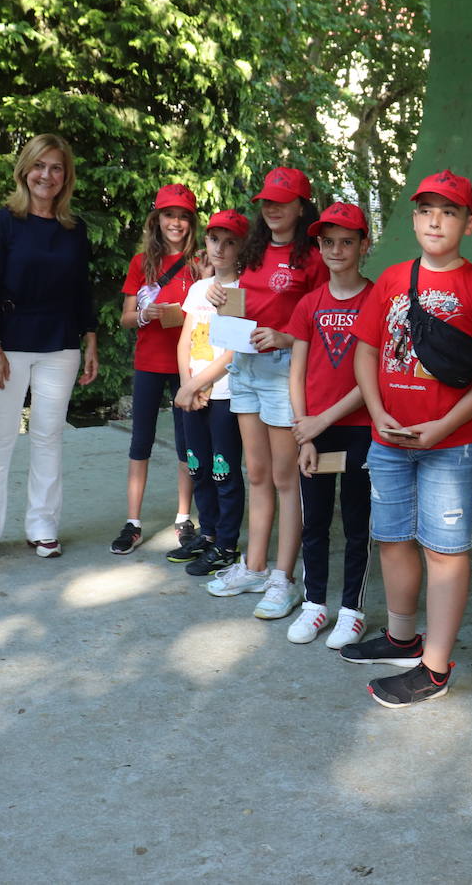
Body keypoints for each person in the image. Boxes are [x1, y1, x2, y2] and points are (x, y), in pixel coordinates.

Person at [341, 169, 472, 708]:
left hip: (453, 445)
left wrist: (444, 426)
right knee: (393, 537)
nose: (434, 220)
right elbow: (366, 350)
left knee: (444, 550)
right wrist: (376, 413)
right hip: (389, 438)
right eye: (425, 210)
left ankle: (435, 666)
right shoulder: (395, 279)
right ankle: (402, 638)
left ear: (469, 222)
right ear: (414, 218)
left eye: (448, 211)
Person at [0, 133, 98, 561]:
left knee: (48, 438)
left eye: (56, 168)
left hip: (60, 346)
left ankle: (42, 526)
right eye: (40, 166)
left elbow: (83, 293)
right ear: (25, 170)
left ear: (65, 177)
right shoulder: (2, 223)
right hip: (8, 344)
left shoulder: (74, 231)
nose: (47, 175)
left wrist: (90, 340)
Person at [202, 167, 326, 621]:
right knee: (255, 473)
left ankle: (284, 578)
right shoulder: (252, 251)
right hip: (245, 368)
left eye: (282, 200)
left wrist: (286, 338)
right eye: (267, 201)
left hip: (283, 372)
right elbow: (244, 312)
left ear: (301, 206)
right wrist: (224, 302)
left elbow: (320, 321)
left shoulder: (312, 258)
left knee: (284, 477)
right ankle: (254, 567)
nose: (271, 208)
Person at [283, 202, 374, 647]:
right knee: (314, 520)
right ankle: (314, 606)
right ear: (318, 246)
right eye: (328, 242)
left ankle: (352, 610)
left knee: (358, 522)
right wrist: (305, 430)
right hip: (312, 432)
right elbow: (296, 372)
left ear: (363, 245)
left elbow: (370, 378)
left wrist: (320, 421)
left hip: (360, 429)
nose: (337, 250)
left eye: (347, 241)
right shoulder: (308, 304)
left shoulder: (377, 300)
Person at [112, 183, 201, 555]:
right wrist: (145, 314)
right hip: (149, 362)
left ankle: (184, 518)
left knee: (186, 444)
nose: (175, 223)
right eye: (169, 215)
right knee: (140, 442)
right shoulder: (141, 263)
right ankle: (133, 522)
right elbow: (126, 318)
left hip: (187, 365)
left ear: (191, 222)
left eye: (182, 216)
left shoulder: (200, 262)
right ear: (157, 219)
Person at [169, 209, 248, 576]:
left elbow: (232, 353)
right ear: (206, 242)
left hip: (223, 395)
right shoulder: (199, 289)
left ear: (241, 248)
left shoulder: (240, 290)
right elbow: (186, 339)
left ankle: (227, 544)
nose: (221, 248)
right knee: (198, 466)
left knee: (223, 470)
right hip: (193, 393)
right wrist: (187, 385)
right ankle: (210, 532)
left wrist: (198, 386)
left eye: (230, 242)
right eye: (215, 239)